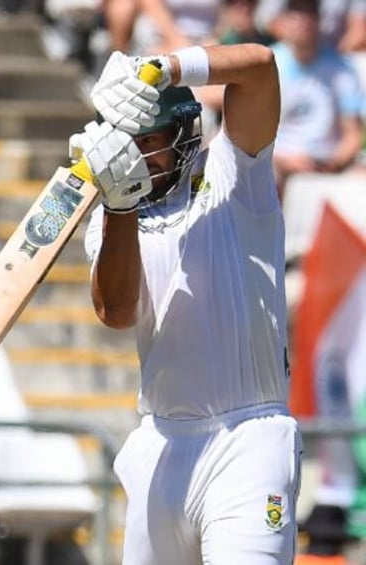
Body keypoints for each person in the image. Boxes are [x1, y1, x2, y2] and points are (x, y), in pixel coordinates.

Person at [70, 43, 302, 563]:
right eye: (128, 144)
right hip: (162, 444)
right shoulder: (108, 220)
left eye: (148, 141)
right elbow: (116, 312)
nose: (139, 157)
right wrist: (120, 203)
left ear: (181, 133)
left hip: (248, 440)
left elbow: (261, 69)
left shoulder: (236, 174)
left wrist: (165, 68)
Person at [269, 0, 364, 199]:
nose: (303, 21)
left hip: (326, 163)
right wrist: (282, 160)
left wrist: (331, 165)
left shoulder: (341, 69)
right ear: (283, 20)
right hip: (277, 162)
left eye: (309, 14)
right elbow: (253, 131)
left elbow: (352, 135)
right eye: (296, 13)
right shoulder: (269, 64)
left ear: (319, 20)